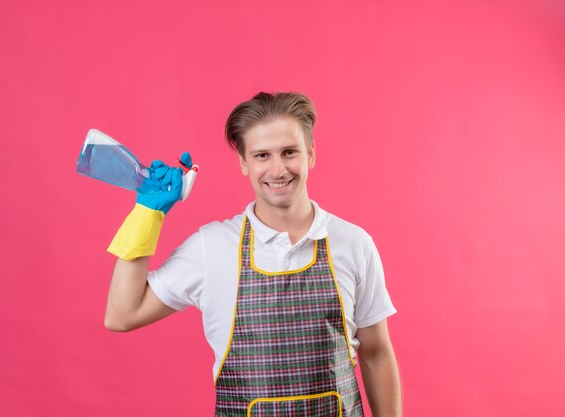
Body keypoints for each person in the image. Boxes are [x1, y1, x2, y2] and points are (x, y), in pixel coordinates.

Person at [104, 92, 402, 417]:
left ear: (311, 154)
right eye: (262, 155)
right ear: (244, 163)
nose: (277, 169)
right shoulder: (212, 247)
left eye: (289, 152)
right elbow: (122, 315)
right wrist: (147, 214)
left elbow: (376, 354)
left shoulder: (353, 243)